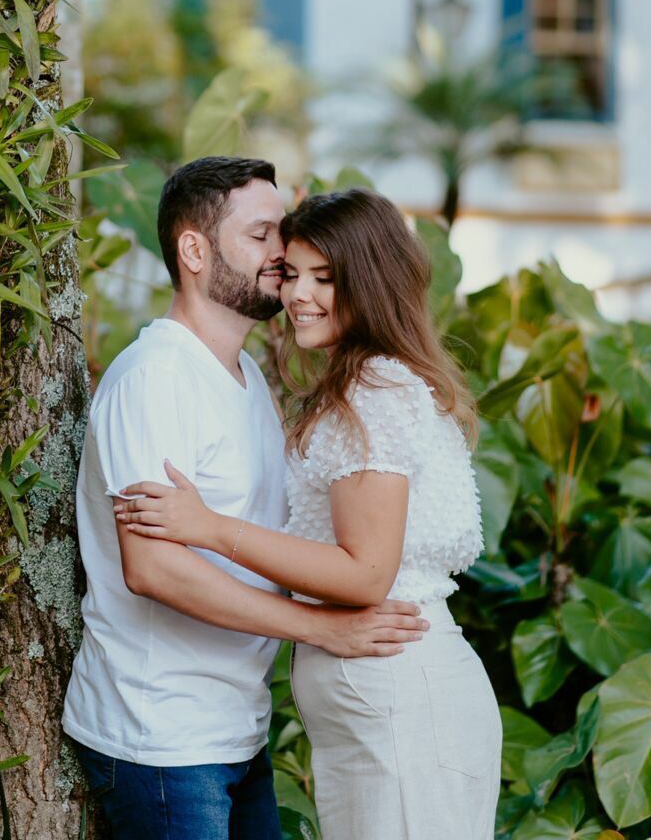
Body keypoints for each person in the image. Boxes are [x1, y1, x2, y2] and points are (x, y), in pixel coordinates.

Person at [116, 186, 501, 840]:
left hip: (403, 703)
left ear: (370, 281)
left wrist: (209, 528)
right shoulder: (355, 386)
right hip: (375, 710)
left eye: (325, 278)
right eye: (290, 273)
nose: (297, 295)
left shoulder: (375, 392)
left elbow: (364, 576)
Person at [62, 159, 430, 840]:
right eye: (260, 235)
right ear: (193, 250)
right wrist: (324, 629)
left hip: (234, 727)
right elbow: (154, 568)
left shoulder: (246, 379)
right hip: (160, 736)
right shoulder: (156, 379)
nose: (280, 254)